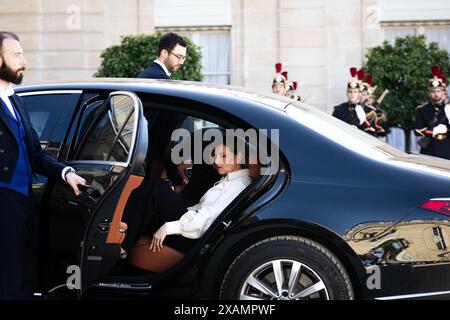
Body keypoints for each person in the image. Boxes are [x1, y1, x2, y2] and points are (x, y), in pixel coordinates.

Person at [0, 31, 86, 299]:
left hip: (23, 200)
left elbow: (35, 153)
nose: (24, 60)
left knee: (26, 275)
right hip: (3, 201)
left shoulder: (14, 99)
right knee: (8, 280)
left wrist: (66, 172)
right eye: (16, 55)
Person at [124, 134, 253, 272]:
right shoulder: (230, 180)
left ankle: (122, 244)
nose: (216, 161)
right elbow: (203, 209)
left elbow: (209, 218)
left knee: (157, 187)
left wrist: (169, 227)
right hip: (193, 223)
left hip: (196, 238)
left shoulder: (237, 185)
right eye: (214, 156)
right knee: (157, 194)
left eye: (223, 156)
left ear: (238, 157)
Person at [138, 32, 190, 190]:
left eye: (183, 58)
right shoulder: (161, 82)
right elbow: (167, 136)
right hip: (152, 160)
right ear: (164, 53)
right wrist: (176, 179)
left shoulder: (145, 75)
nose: (181, 62)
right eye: (178, 56)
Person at [415, 66, 450, 160]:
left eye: (438, 91)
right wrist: (432, 131)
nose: (436, 94)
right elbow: (418, 130)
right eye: (433, 91)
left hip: (446, 148)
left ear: (443, 92)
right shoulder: (422, 110)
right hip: (429, 148)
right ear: (429, 93)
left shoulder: (448, 109)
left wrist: (446, 130)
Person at [332, 67, 375, 134]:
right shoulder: (339, 109)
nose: (352, 94)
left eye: (355, 92)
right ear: (346, 93)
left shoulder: (368, 111)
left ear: (359, 93)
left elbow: (372, 134)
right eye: (350, 92)